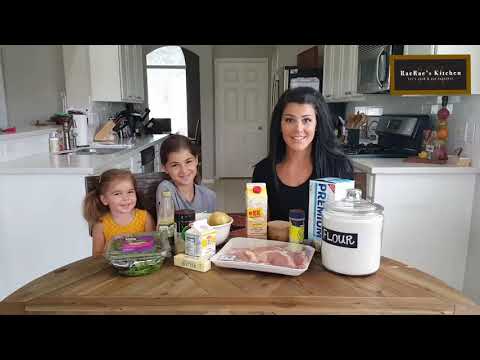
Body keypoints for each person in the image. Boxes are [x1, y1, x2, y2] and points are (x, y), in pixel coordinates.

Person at [252, 87, 353, 237]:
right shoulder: (263, 170)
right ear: (279, 125)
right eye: (289, 120)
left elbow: (346, 227)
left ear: (317, 124)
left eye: (306, 120)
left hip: (325, 257)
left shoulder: (338, 167)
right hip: (280, 257)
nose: (298, 129)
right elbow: (259, 229)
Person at [83, 169, 155, 257]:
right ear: (104, 199)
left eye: (130, 192)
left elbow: (153, 247)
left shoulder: (145, 217)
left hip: (143, 266)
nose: (126, 198)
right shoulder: (100, 225)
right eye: (117, 194)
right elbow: (96, 257)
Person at [156, 134, 216, 216]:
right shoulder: (166, 190)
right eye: (175, 165)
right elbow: (166, 225)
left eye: (188, 162)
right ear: (165, 168)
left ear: (196, 160)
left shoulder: (209, 196)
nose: (184, 170)